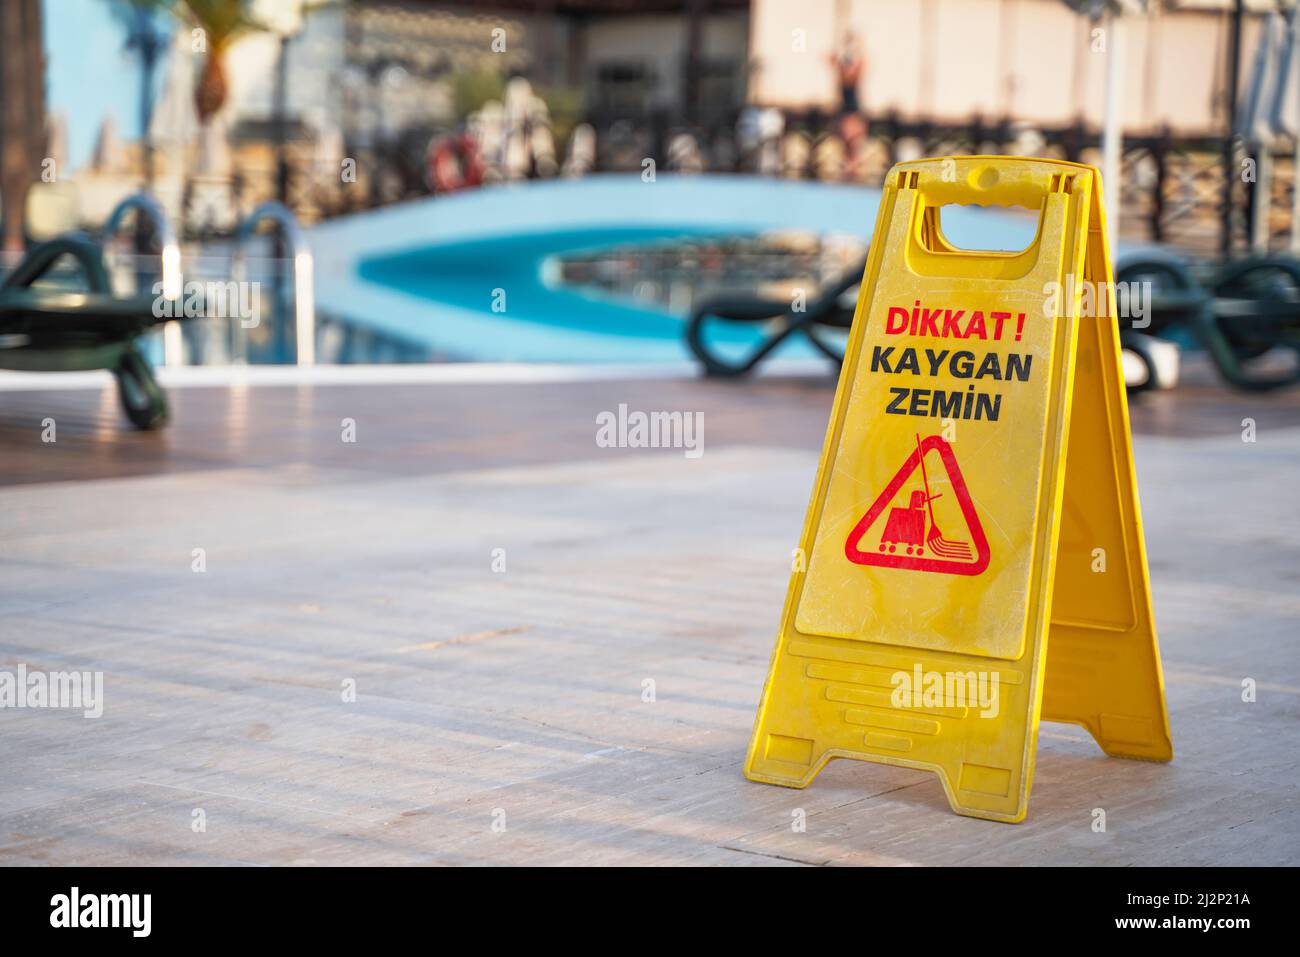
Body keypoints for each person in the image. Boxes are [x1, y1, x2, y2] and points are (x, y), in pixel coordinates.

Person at [829, 30, 865, 116]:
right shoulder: (844, 73)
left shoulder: (851, 75)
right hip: (846, 105)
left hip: (850, 106)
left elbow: (859, 67)